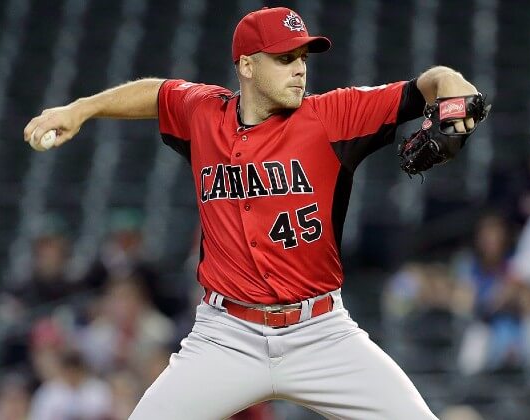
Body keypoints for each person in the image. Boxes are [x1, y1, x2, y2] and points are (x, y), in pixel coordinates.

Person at [24, 6, 483, 419]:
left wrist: (454, 88)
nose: (299, 69)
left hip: (321, 334)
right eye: (285, 58)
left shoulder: (332, 115)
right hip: (225, 337)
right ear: (246, 65)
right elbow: (156, 93)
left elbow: (426, 84)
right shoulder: (204, 113)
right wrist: (82, 109)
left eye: (303, 57)